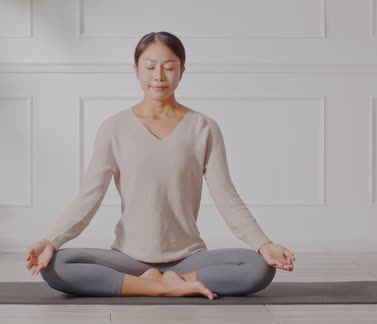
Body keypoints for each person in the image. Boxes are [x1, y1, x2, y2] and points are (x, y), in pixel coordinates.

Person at [25, 31, 296, 300]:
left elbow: (227, 197)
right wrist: (51, 241)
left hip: (187, 259)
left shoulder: (204, 128)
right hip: (127, 259)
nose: (159, 76)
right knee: (56, 266)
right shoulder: (114, 128)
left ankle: (166, 281)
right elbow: (89, 196)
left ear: (182, 71)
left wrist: (264, 244)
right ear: (136, 70)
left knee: (259, 267)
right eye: (150, 66)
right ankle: (164, 285)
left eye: (169, 67)